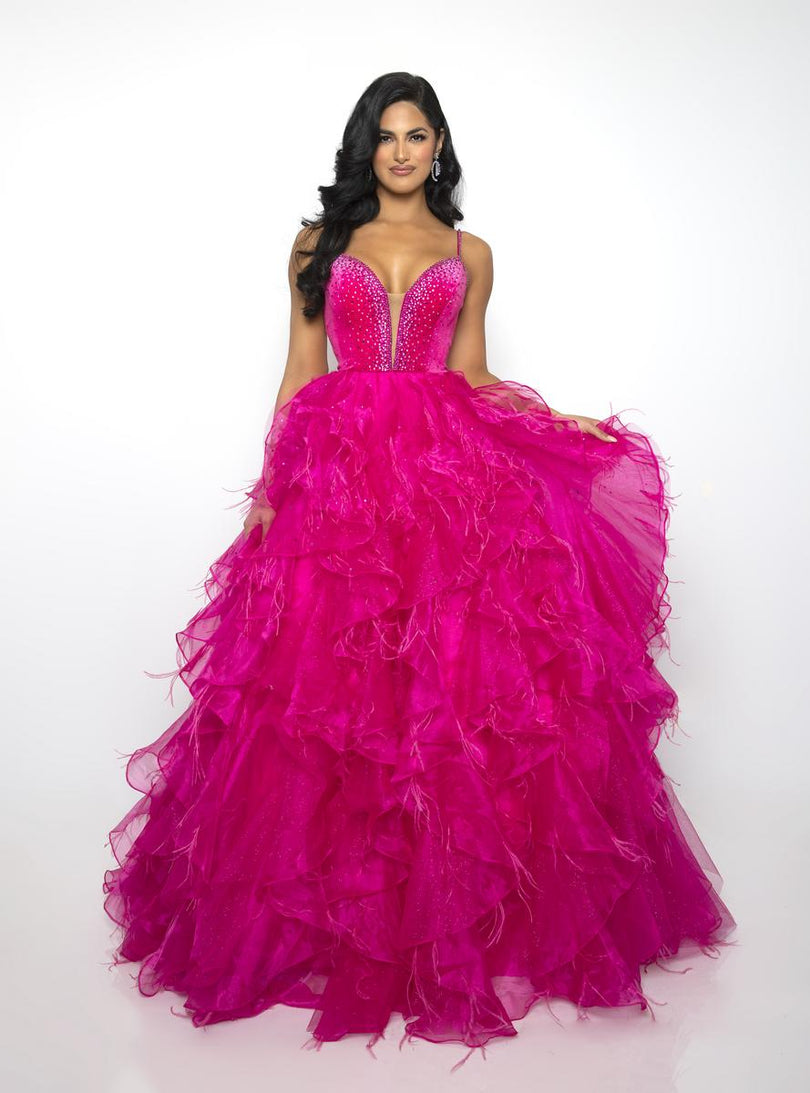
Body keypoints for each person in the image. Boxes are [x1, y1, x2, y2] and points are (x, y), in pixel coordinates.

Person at [103, 72, 737, 1064]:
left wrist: (555, 420)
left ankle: (455, 917)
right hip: (341, 475)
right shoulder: (318, 244)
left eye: (418, 135)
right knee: (326, 690)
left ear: (439, 145)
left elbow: (470, 375)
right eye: (387, 136)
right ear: (367, 146)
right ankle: (334, 920)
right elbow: (300, 372)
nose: (402, 151)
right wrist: (271, 485)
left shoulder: (469, 252)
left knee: (454, 683)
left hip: (446, 477)